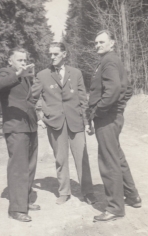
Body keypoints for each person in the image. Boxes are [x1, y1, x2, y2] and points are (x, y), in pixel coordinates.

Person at [32, 42, 96, 205]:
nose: (52, 57)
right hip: (55, 122)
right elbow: (33, 98)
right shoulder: (42, 75)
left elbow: (83, 99)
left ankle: (88, 191)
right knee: (60, 158)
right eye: (50, 54)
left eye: (55, 54)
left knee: (82, 157)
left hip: (76, 120)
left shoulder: (76, 73)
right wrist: (40, 115)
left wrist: (87, 121)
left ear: (64, 54)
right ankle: (64, 192)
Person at [88, 30, 141, 222]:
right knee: (117, 157)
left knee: (108, 162)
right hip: (112, 116)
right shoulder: (111, 61)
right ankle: (133, 196)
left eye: (102, 42)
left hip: (107, 118)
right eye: (95, 43)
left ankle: (115, 208)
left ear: (112, 43)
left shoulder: (109, 61)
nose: (98, 45)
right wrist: (120, 107)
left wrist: (99, 111)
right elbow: (127, 89)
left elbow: (115, 90)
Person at [0, 47, 40, 222]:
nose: (23, 62)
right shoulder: (5, 73)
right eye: (19, 60)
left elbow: (29, 100)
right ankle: (16, 208)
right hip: (16, 127)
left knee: (30, 166)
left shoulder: (25, 76)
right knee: (18, 167)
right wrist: (19, 73)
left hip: (30, 125)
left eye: (24, 59)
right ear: (10, 61)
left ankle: (24, 201)